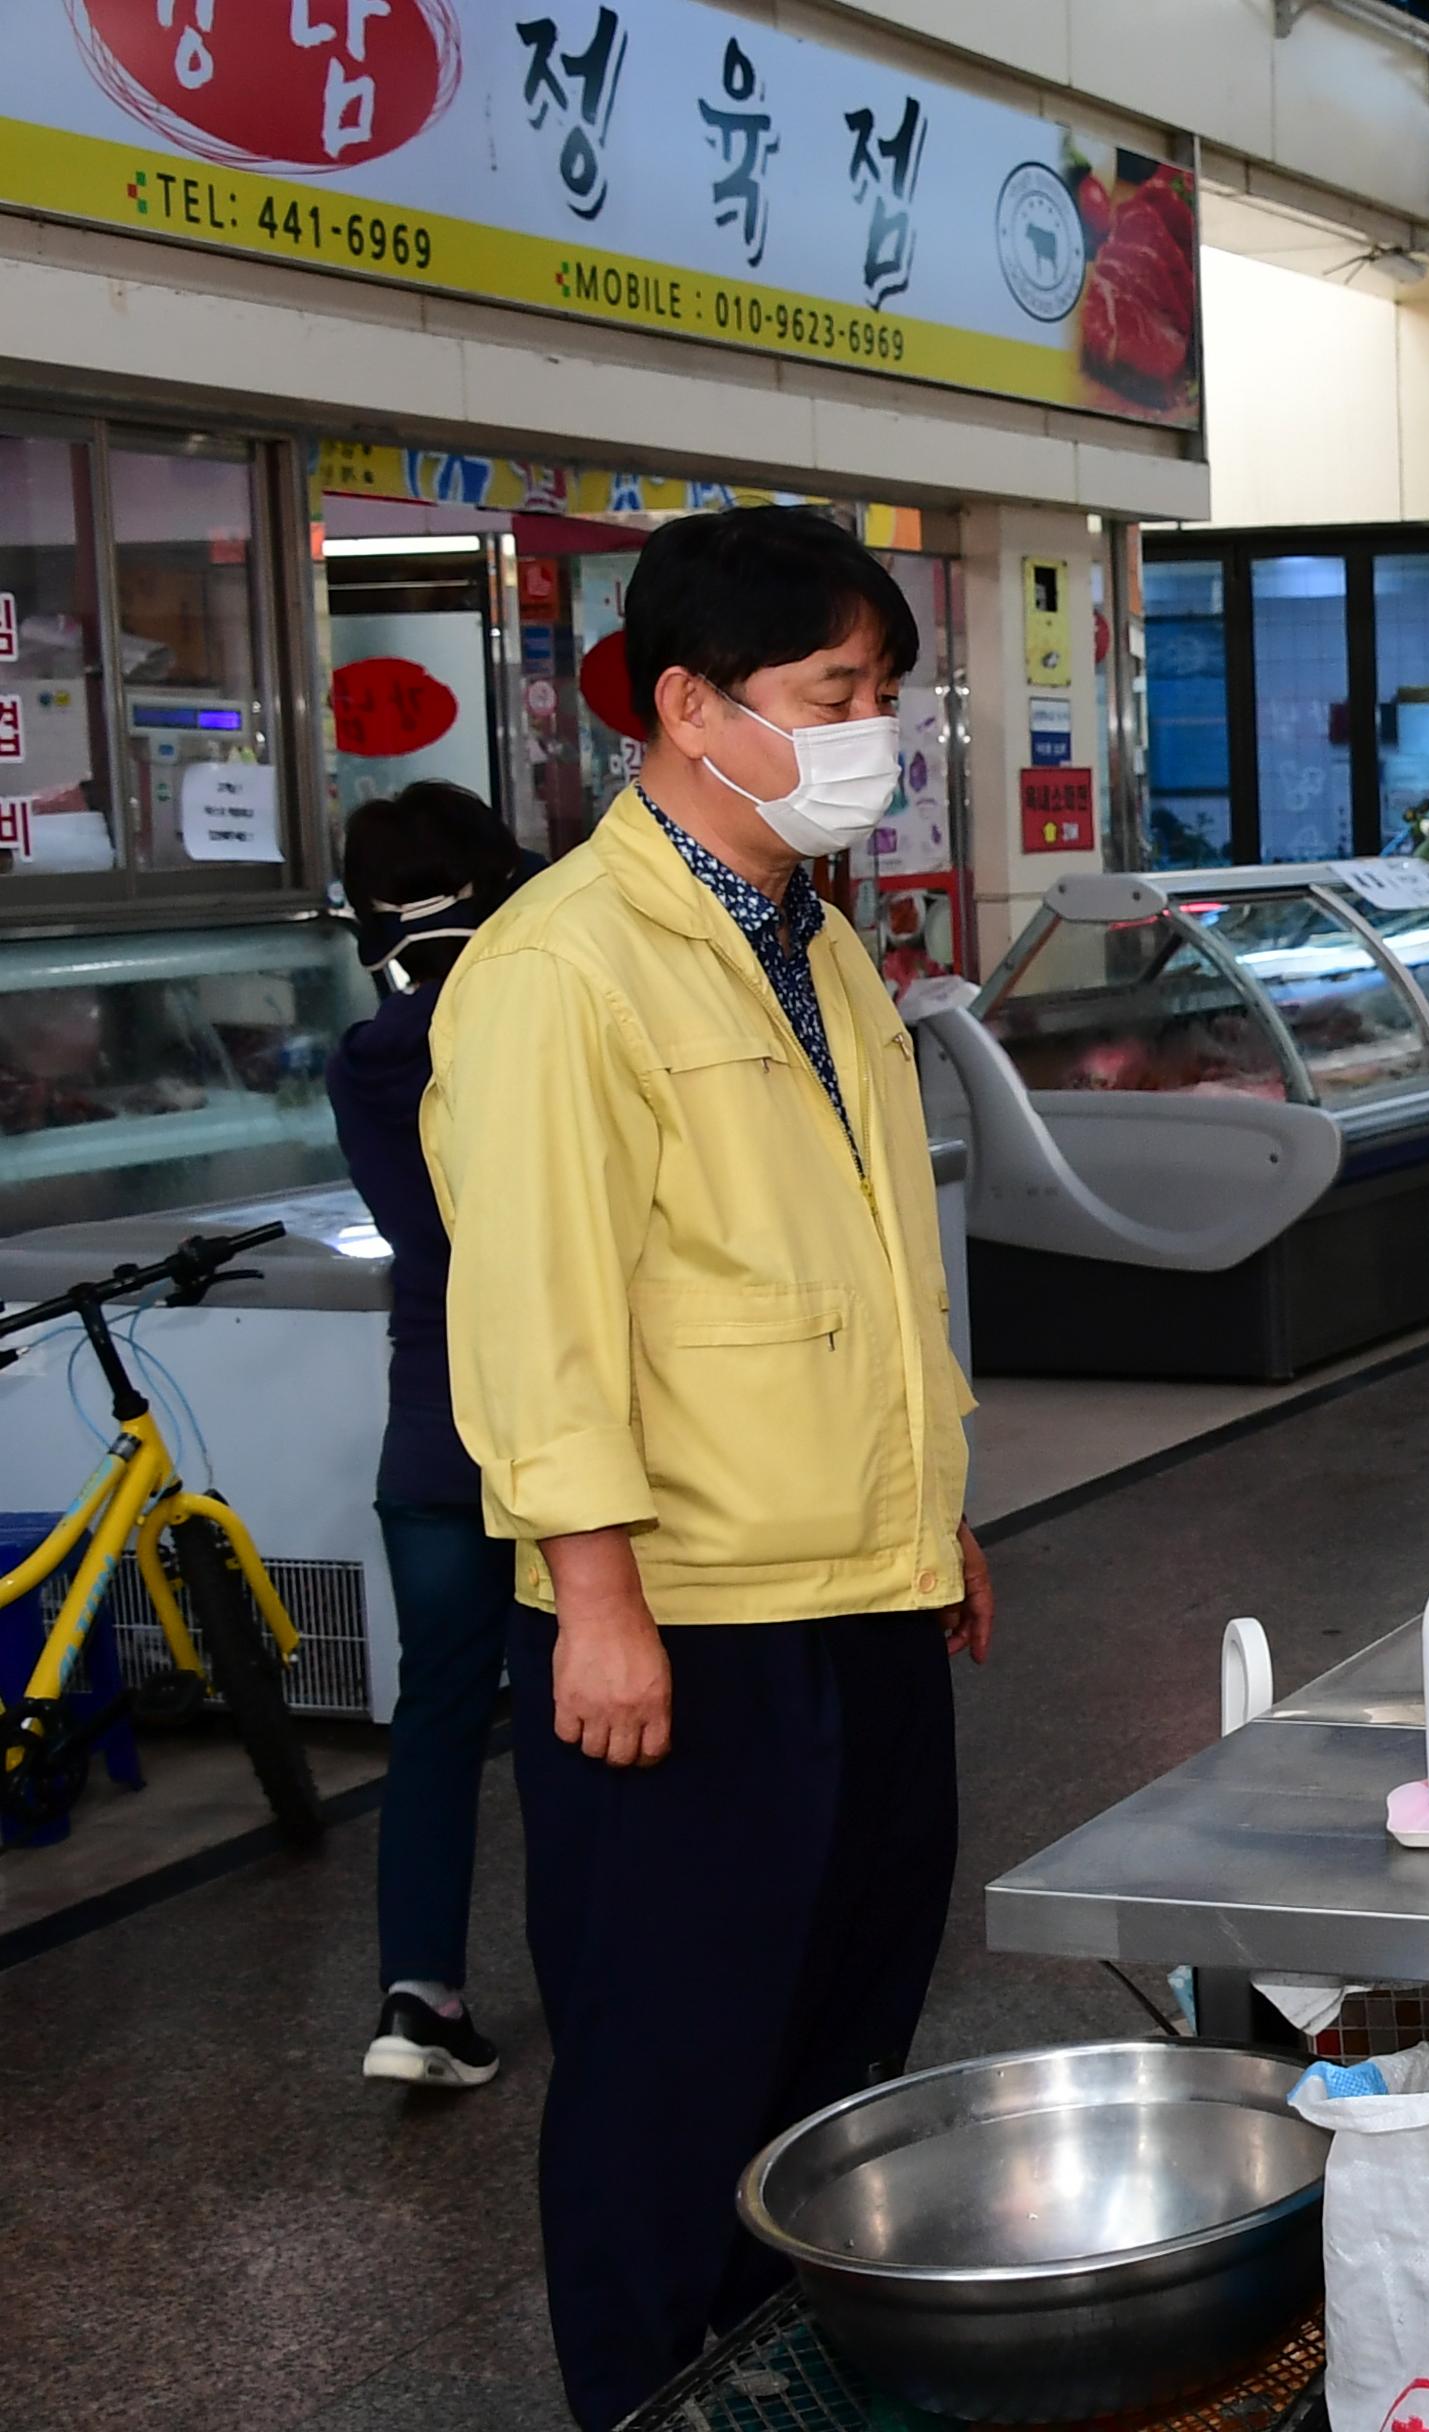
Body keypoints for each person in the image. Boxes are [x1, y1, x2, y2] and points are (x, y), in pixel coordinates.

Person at [425, 506, 994, 2429]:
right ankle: (647, 2401)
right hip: (682, 1617)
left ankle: (785, 2382)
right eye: (835, 693)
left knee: (840, 2052)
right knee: (673, 2063)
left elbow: (863, 1266)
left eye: (886, 694)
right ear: (687, 704)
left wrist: (940, 1516)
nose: (875, 733)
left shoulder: (815, 945)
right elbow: (537, 1318)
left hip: (862, 1585)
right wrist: (595, 1601)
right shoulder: (562, 967)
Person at [331, 781, 532, 2092]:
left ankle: (420, 1997)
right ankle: (616, 1985)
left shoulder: (366, 1057)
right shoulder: (531, 1027)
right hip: (554, 1426)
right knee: (594, 1718)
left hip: (428, 1429)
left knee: (439, 1717)